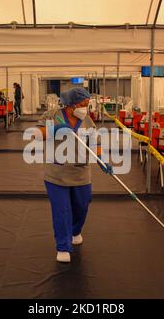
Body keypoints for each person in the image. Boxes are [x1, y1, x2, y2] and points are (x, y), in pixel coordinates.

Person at [38, 87, 113, 263]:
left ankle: (75, 231)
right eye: (83, 104)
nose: (86, 108)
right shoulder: (52, 115)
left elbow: (96, 142)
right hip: (56, 173)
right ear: (71, 105)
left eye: (88, 105)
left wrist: (101, 159)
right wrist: (54, 130)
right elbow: (36, 134)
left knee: (82, 205)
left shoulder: (87, 120)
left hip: (81, 173)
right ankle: (63, 246)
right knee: (62, 210)